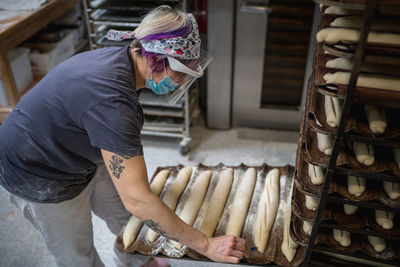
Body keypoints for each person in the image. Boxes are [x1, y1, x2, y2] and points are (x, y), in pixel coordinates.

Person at [0, 5, 250, 267]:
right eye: (181, 72)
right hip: (38, 173)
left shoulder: (127, 59)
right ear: (156, 60)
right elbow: (138, 200)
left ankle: (136, 262)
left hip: (77, 151)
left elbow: (133, 205)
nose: (181, 82)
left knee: (125, 217)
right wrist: (206, 244)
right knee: (77, 254)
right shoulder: (113, 105)